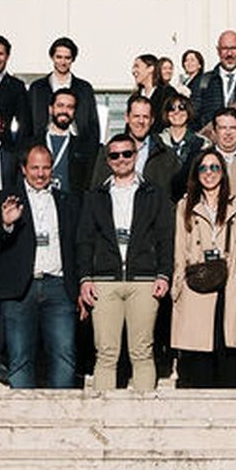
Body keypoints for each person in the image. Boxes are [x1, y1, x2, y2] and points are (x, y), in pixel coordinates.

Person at [77, 133, 175, 391]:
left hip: (144, 280)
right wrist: (85, 278)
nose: (121, 159)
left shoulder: (154, 193)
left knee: (142, 352)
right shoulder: (95, 196)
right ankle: (104, 412)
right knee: (106, 354)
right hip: (104, 281)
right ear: (108, 160)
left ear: (136, 155)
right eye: (115, 155)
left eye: (127, 153)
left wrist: (164, 274)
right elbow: (84, 241)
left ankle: (143, 414)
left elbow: (165, 238)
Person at [0, 145, 82, 389]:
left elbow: (77, 246)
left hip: (58, 287)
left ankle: (61, 412)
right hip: (21, 289)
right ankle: (23, 412)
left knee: (64, 355)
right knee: (19, 358)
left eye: (45, 168)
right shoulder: (6, 198)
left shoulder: (67, 201)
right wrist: (6, 224)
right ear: (23, 169)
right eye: (34, 168)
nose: (40, 174)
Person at [172, 148, 236, 387]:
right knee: (200, 354)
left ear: (223, 172)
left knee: (231, 351)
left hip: (233, 281)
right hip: (197, 283)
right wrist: (178, 286)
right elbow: (180, 249)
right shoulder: (185, 205)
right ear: (196, 174)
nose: (209, 173)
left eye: (214, 167)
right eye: (203, 168)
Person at [27, 36, 102, 150]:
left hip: (77, 149)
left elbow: (93, 125)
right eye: (59, 57)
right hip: (42, 147)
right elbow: (28, 123)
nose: (63, 62)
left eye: (67, 58)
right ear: (52, 57)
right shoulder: (37, 88)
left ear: (73, 59)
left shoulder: (84, 89)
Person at [34, 87, 98, 196]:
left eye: (70, 107)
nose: (64, 111)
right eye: (60, 105)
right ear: (51, 109)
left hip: (70, 204)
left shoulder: (83, 147)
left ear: (74, 112)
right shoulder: (33, 143)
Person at [192, 30, 236, 129]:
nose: (229, 54)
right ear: (218, 51)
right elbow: (194, 117)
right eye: (225, 48)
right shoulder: (203, 81)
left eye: (233, 48)